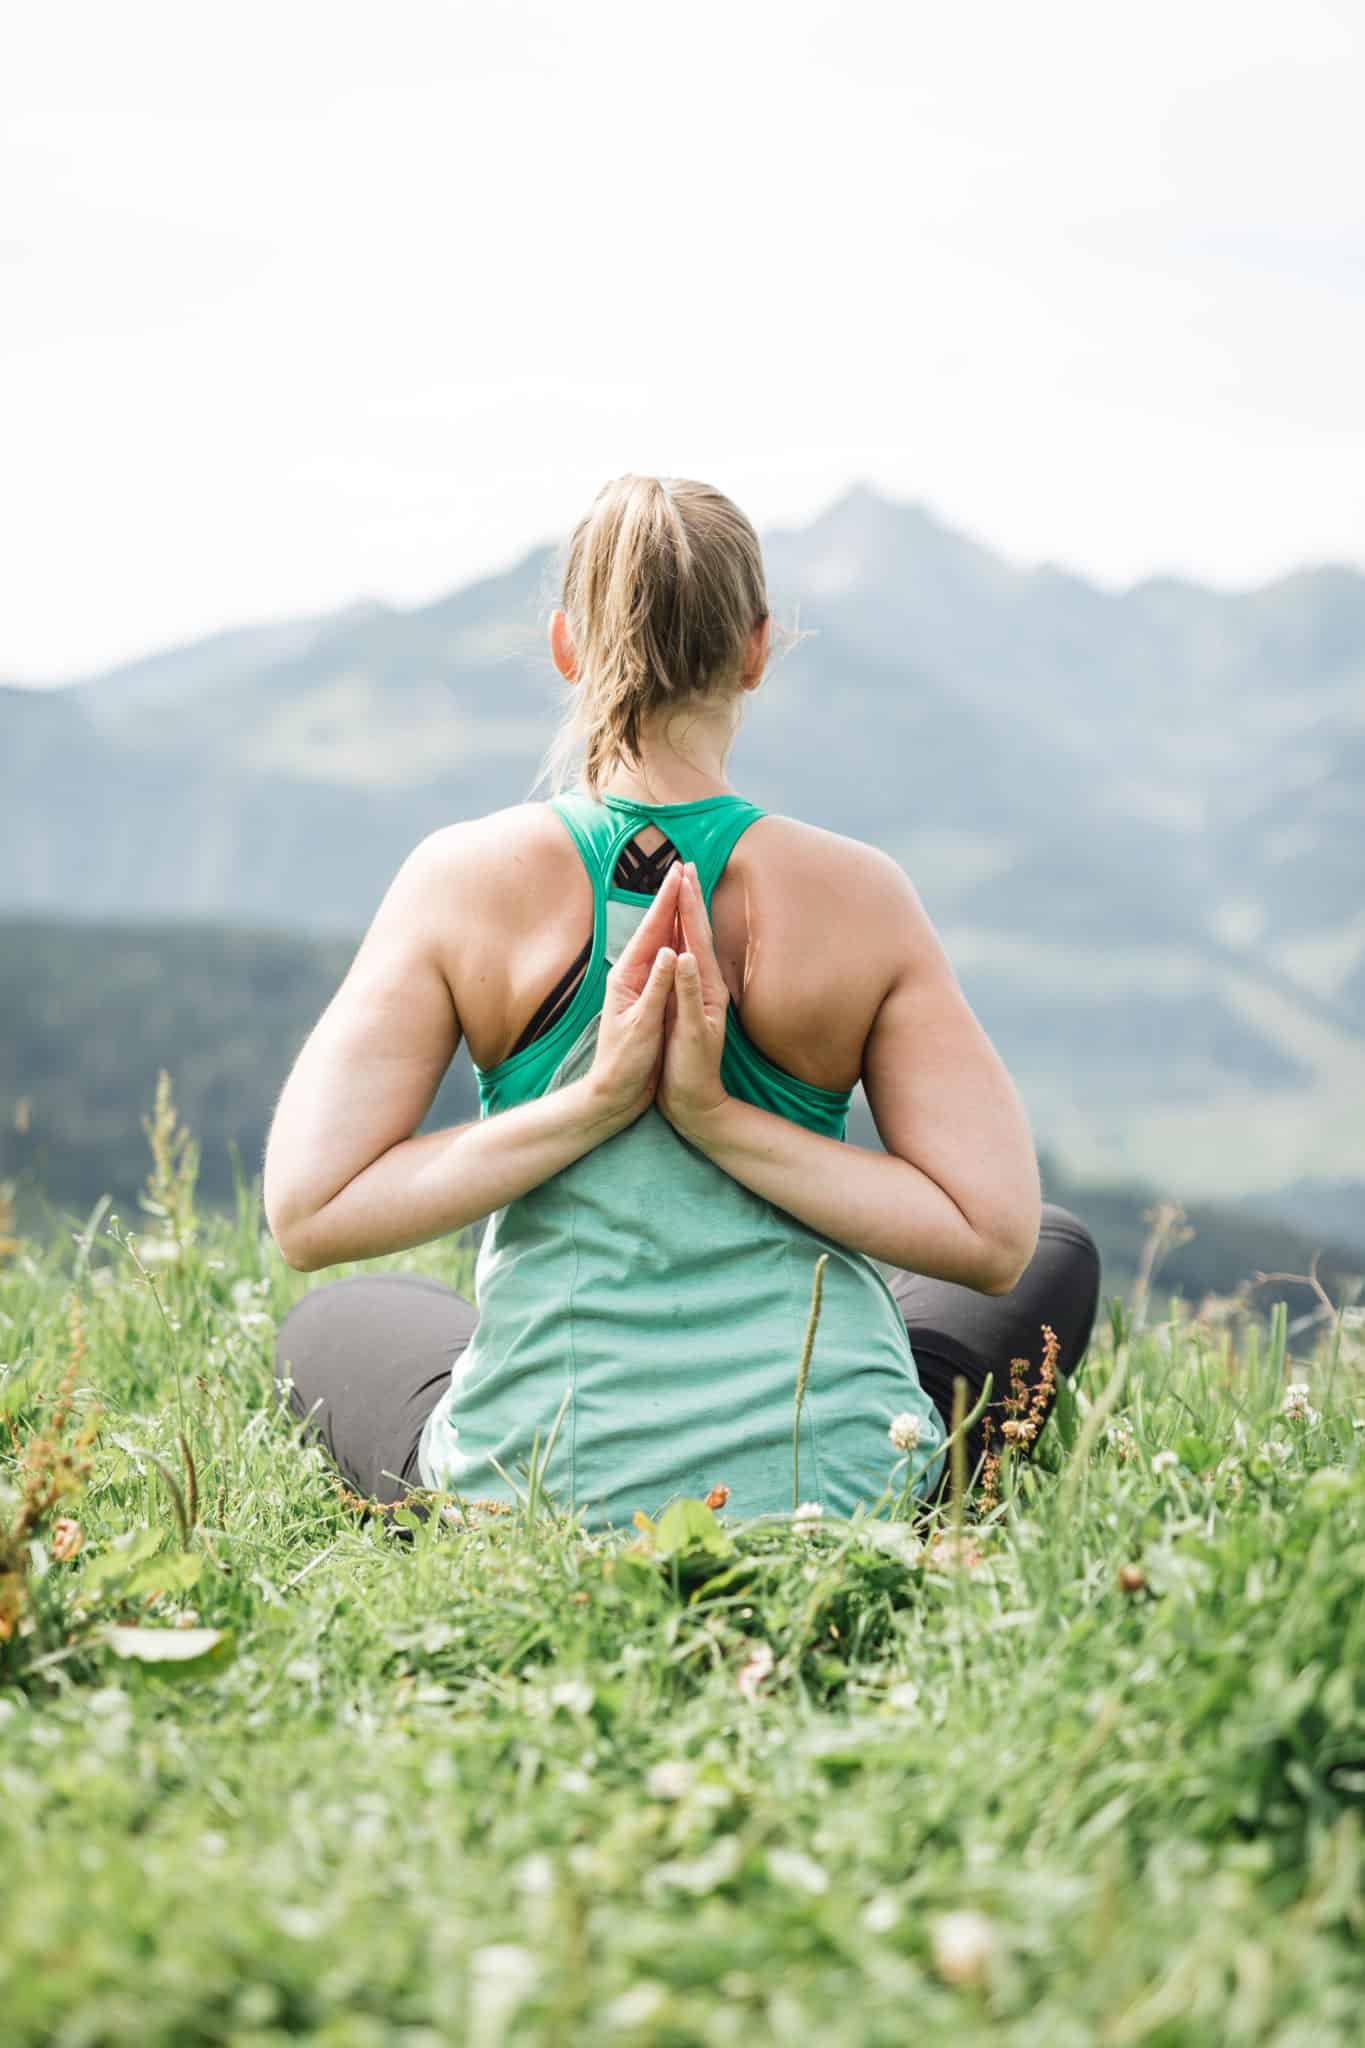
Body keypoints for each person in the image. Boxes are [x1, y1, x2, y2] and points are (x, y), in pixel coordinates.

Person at [266, 474, 1100, 1527]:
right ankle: (887, 1458)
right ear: (755, 651)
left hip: (531, 1494)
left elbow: (308, 1208)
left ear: (569, 646)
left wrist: (587, 1104)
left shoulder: (460, 880)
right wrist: (725, 1119)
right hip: (835, 1487)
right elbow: (995, 1237)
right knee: (1059, 1249)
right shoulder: (862, 895)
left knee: (341, 1319)